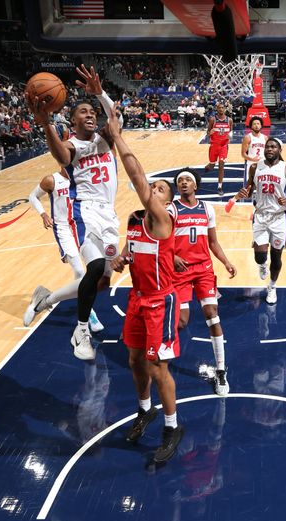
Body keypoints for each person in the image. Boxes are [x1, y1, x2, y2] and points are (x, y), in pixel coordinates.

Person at [107, 103, 184, 464]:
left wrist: (118, 137)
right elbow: (129, 250)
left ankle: (172, 427)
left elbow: (137, 178)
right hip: (137, 298)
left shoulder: (164, 218)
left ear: (167, 201)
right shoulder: (136, 220)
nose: (154, 189)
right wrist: (121, 258)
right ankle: (145, 409)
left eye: (160, 188)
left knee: (158, 367)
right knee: (135, 359)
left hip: (160, 301)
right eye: (154, 186)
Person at [28, 64, 119, 361]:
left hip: (109, 215)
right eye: (83, 111)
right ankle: (81, 331)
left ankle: (47, 298)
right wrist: (46, 125)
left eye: (92, 111)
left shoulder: (106, 139)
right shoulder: (71, 146)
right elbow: (59, 154)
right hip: (85, 213)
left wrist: (100, 93)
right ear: (72, 120)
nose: (90, 114)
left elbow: (114, 117)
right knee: (92, 269)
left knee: (101, 283)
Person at [171, 168, 237, 396]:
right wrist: (172, 256)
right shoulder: (171, 209)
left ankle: (220, 370)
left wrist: (226, 262)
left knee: (212, 315)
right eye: (180, 181)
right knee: (181, 322)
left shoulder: (207, 208)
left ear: (196, 185)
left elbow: (213, 242)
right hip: (179, 271)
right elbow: (161, 239)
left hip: (203, 270)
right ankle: (162, 352)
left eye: (188, 179)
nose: (184, 183)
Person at [22, 169, 104, 335]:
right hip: (63, 229)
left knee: (92, 272)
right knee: (80, 271)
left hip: (81, 226)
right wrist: (43, 214)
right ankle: (89, 315)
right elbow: (33, 196)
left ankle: (42, 298)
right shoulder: (51, 180)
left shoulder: (83, 178)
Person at [236, 138, 286, 304]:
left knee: (277, 256)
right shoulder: (256, 167)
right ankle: (262, 265)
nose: (269, 149)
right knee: (260, 257)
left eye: (273, 147)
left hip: (278, 218)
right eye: (267, 146)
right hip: (260, 216)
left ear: (280, 150)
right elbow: (249, 189)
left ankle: (272, 286)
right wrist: (245, 193)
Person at [225, 116, 266, 213]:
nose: (256, 125)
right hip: (251, 166)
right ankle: (232, 200)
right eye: (254, 124)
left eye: (258, 124)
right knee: (247, 191)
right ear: (251, 126)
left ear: (261, 125)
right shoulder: (248, 137)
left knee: (262, 189)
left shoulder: (265, 138)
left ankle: (254, 212)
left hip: (262, 166)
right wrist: (252, 159)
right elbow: (243, 154)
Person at [203, 102, 232, 196]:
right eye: (219, 108)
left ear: (225, 109)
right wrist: (209, 133)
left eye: (222, 108)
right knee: (211, 166)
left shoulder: (229, 120)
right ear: (217, 109)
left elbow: (230, 132)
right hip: (214, 146)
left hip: (223, 146)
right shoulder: (212, 119)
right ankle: (207, 167)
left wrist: (229, 138)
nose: (221, 109)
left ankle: (219, 187)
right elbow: (208, 133)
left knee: (221, 166)